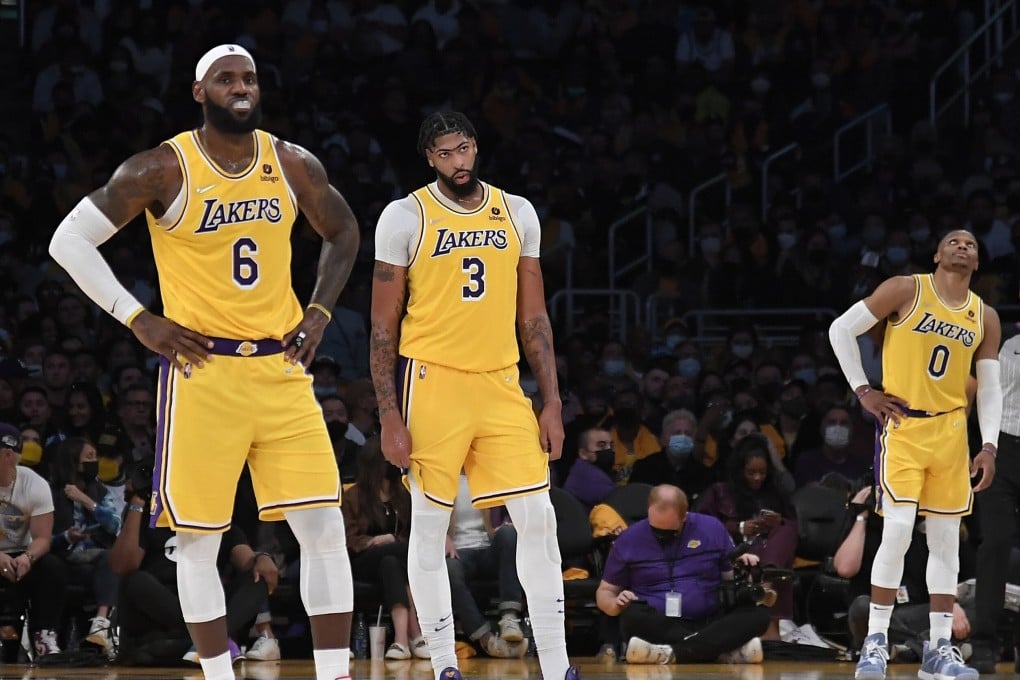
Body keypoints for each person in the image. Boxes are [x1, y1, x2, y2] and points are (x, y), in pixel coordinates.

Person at [48, 44, 360, 680]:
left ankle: (335, 674)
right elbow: (67, 240)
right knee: (197, 540)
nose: (240, 87)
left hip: (281, 369)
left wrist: (321, 310)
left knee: (325, 527)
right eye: (225, 79)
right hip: (202, 373)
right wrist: (138, 317)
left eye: (248, 77)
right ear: (200, 92)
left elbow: (346, 229)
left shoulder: (291, 162)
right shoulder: (162, 168)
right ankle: (219, 673)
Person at [370, 111, 576, 680]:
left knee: (538, 518)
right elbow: (382, 327)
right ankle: (442, 665)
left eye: (463, 150)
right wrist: (389, 414)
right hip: (432, 381)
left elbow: (533, 315)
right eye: (444, 154)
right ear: (429, 160)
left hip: (501, 381)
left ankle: (558, 668)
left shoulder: (517, 211)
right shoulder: (404, 216)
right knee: (430, 525)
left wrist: (552, 400)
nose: (457, 162)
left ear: (475, 148)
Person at [828, 229, 1001, 680]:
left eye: (971, 245)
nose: (963, 246)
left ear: (977, 264)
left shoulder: (985, 316)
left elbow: (991, 387)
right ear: (938, 254)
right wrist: (864, 390)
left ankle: (939, 649)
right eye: (954, 241)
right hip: (904, 426)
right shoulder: (906, 288)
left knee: (946, 542)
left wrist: (988, 445)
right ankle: (876, 642)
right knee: (901, 528)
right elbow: (841, 329)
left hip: (951, 432)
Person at [596, 484, 769, 664]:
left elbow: (730, 581)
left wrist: (742, 567)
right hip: (659, 624)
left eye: (668, 532)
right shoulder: (629, 539)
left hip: (710, 618)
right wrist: (615, 604)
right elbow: (604, 592)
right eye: (655, 530)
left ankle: (672, 653)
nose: (661, 537)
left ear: (684, 516)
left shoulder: (712, 528)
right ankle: (718, 649)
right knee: (632, 615)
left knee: (759, 615)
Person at [970, 313, 1020, 672]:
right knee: (996, 542)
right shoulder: (1002, 340)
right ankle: (984, 640)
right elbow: (975, 388)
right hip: (999, 448)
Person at [48, 436, 122, 655]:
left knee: (111, 558)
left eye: (95, 457)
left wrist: (86, 500)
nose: (94, 462)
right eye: (89, 457)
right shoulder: (51, 493)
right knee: (107, 559)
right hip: (62, 556)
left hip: (95, 559)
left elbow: (114, 524)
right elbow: (40, 538)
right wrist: (68, 537)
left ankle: (101, 623)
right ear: (73, 461)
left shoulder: (99, 491)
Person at [0, 423, 68, 658]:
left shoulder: (34, 483)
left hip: (20, 552)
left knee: (52, 567)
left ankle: (44, 635)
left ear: (7, 455)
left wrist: (28, 558)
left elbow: (42, 539)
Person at [445, 473, 528, 658]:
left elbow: (513, 505)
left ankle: (510, 617)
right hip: (459, 551)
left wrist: (504, 525)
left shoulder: (486, 471)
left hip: (487, 546)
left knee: (509, 534)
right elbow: (426, 519)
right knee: (450, 569)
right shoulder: (443, 477)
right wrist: (443, 537)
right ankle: (486, 639)